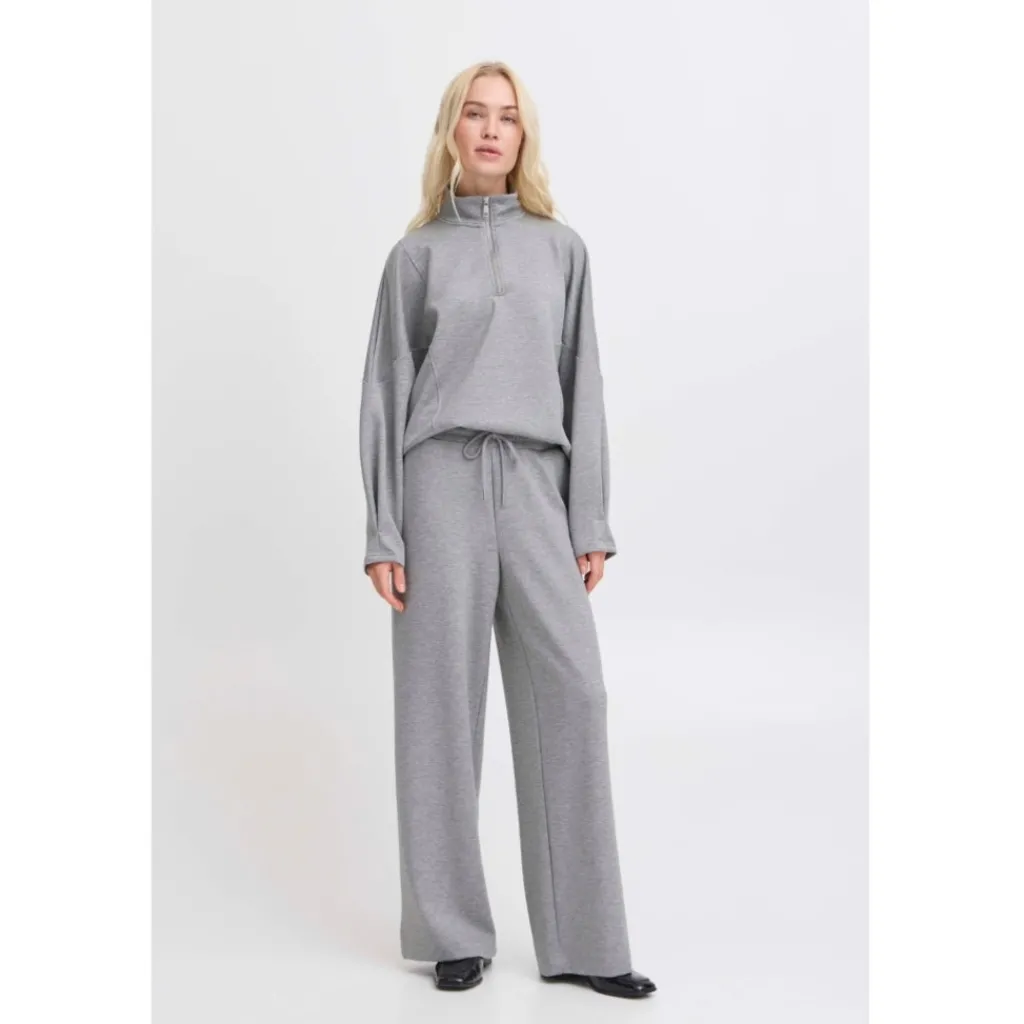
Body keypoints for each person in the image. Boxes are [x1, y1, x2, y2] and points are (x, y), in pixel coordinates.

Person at [358, 60, 656, 999]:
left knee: (575, 693)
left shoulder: (561, 250)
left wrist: (588, 515)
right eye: (476, 115)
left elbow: (583, 383)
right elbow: (385, 391)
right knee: (439, 710)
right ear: (452, 130)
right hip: (438, 483)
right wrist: (384, 529)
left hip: (534, 482)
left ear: (524, 137)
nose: (492, 130)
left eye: (509, 118)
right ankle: (453, 933)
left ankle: (586, 943)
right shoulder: (415, 257)